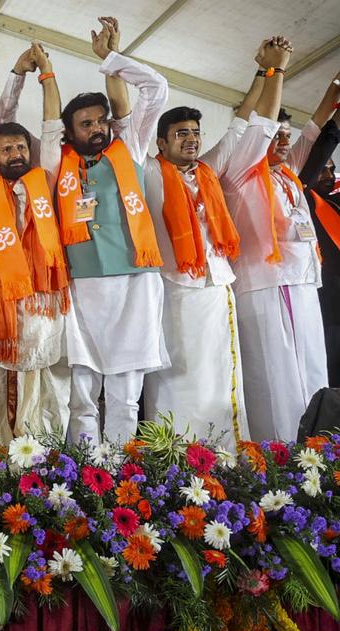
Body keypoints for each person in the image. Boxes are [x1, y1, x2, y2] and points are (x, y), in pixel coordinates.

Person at [141, 38, 294, 448]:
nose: (191, 139)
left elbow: (243, 124)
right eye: (180, 134)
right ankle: (175, 458)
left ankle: (222, 455)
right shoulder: (149, 173)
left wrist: (266, 72)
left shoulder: (209, 170)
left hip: (215, 288)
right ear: (161, 143)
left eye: (195, 133)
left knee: (220, 375)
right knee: (175, 379)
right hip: (172, 290)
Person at [52, 17, 169, 445]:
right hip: (81, 286)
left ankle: (119, 466)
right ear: (70, 132)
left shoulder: (130, 146)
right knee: (82, 391)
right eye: (86, 124)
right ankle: (83, 468)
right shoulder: (58, 163)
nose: (97, 128)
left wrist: (112, 59)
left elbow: (156, 88)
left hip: (135, 281)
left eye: (101, 121)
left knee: (125, 394)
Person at [225, 62, 340, 440]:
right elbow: (261, 126)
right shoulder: (240, 174)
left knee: (313, 369)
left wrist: (334, 88)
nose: (285, 141)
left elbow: (314, 129)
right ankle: (279, 453)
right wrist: (275, 70)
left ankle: (320, 449)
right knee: (275, 378)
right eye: (276, 135)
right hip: (264, 286)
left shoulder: (288, 173)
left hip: (303, 281)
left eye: (286, 135)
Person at [0, 43, 70, 444]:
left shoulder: (45, 180)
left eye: (21, 147)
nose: (15, 153)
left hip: (41, 308)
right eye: (6, 149)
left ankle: (45, 458)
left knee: (45, 390)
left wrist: (46, 73)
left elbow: (52, 127)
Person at [300, 109, 340, 386]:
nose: (329, 175)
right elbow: (319, 153)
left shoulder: (335, 203)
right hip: (325, 305)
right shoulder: (302, 199)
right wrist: (335, 125)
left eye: (332, 169)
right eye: (323, 169)